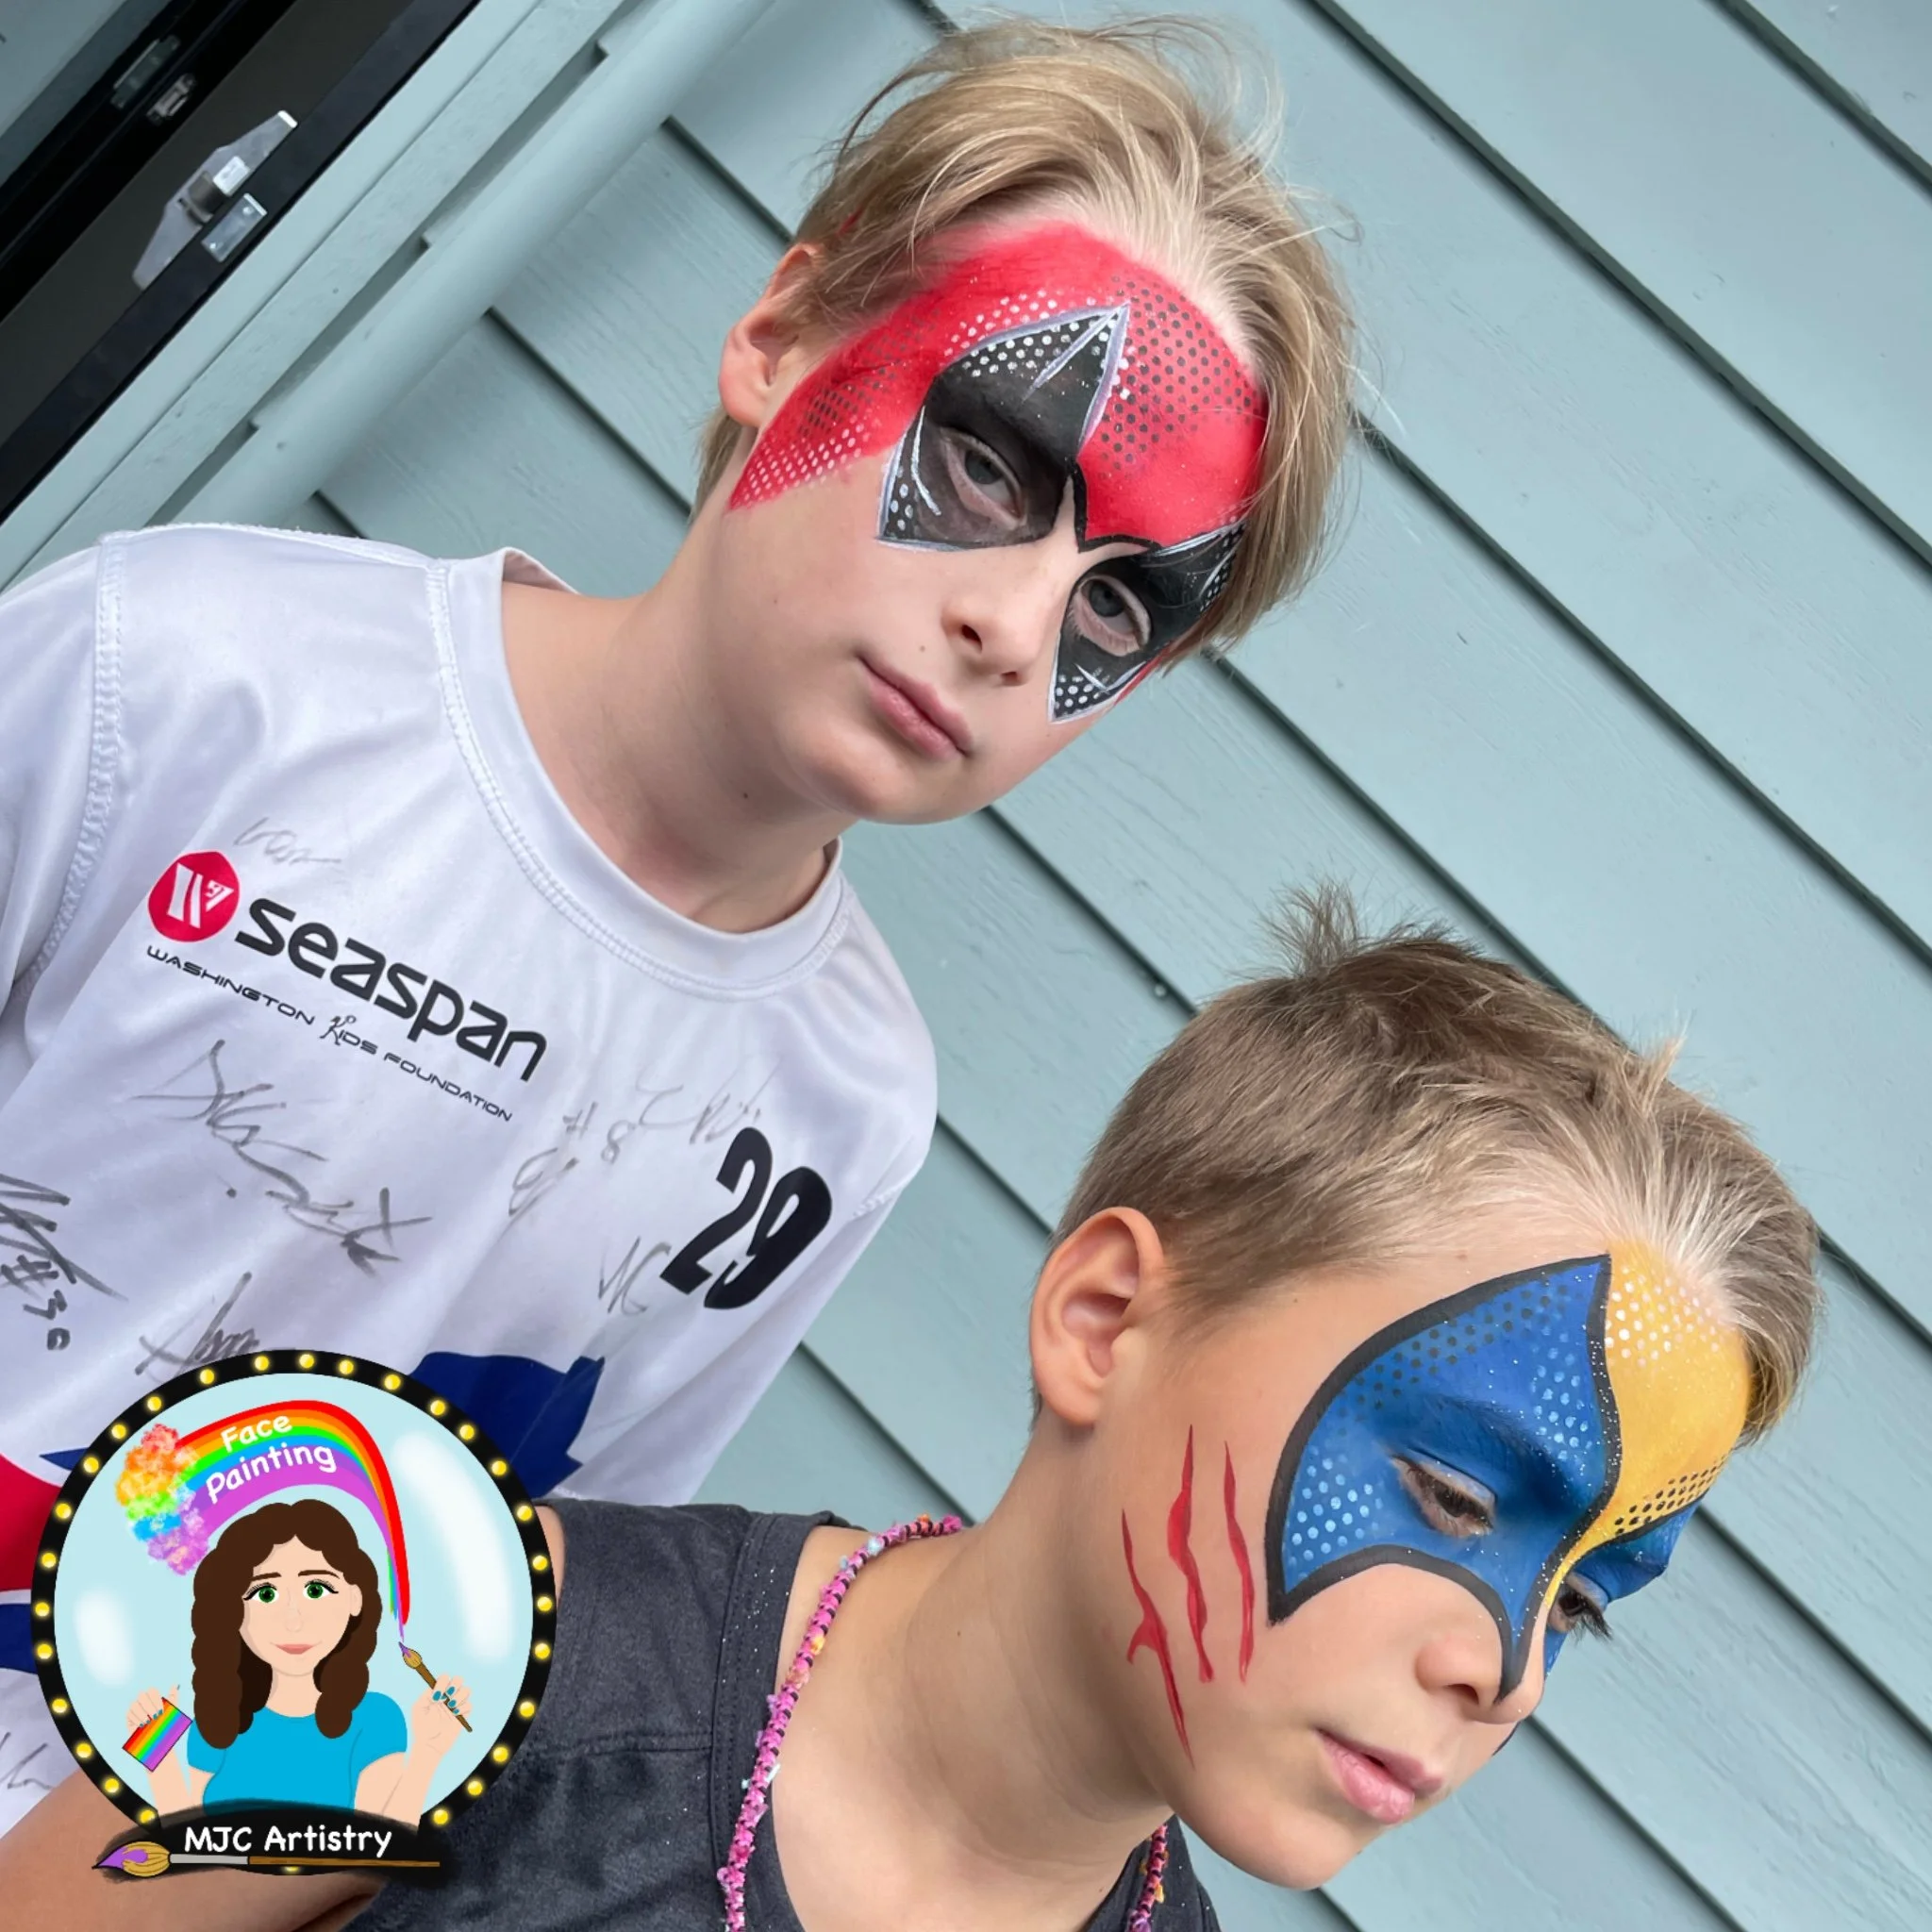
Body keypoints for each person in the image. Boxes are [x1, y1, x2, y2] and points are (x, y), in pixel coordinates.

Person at [0, 19, 1355, 1830]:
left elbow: (486, 1629)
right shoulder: (181, 673)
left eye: (1121, 603)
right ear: (784, 333)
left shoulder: (844, 1103)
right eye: (988, 466)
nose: (1020, 627)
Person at [1, 902, 1821, 1929]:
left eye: (1580, 1597)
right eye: (1441, 1485)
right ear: (1104, 1317)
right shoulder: (429, 1647)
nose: (1502, 1664)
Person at [123, 1499, 469, 1824]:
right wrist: (158, 1754)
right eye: (265, 1593)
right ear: (232, 1611)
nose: (293, 1619)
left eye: (315, 1589)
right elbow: (189, 1848)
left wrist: (428, 1753)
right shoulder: (216, 1720)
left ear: (354, 1598)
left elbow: (378, 1848)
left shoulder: (377, 1720)